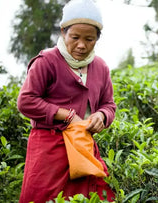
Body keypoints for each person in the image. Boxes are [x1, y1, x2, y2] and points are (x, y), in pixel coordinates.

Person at [17, 0, 116, 202]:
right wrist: (67, 116)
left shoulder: (100, 67)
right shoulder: (47, 61)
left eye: (89, 39)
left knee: (91, 197)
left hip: (82, 148)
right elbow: (26, 101)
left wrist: (102, 115)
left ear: (97, 38)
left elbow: (109, 104)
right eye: (75, 37)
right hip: (48, 150)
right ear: (63, 32)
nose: (81, 45)